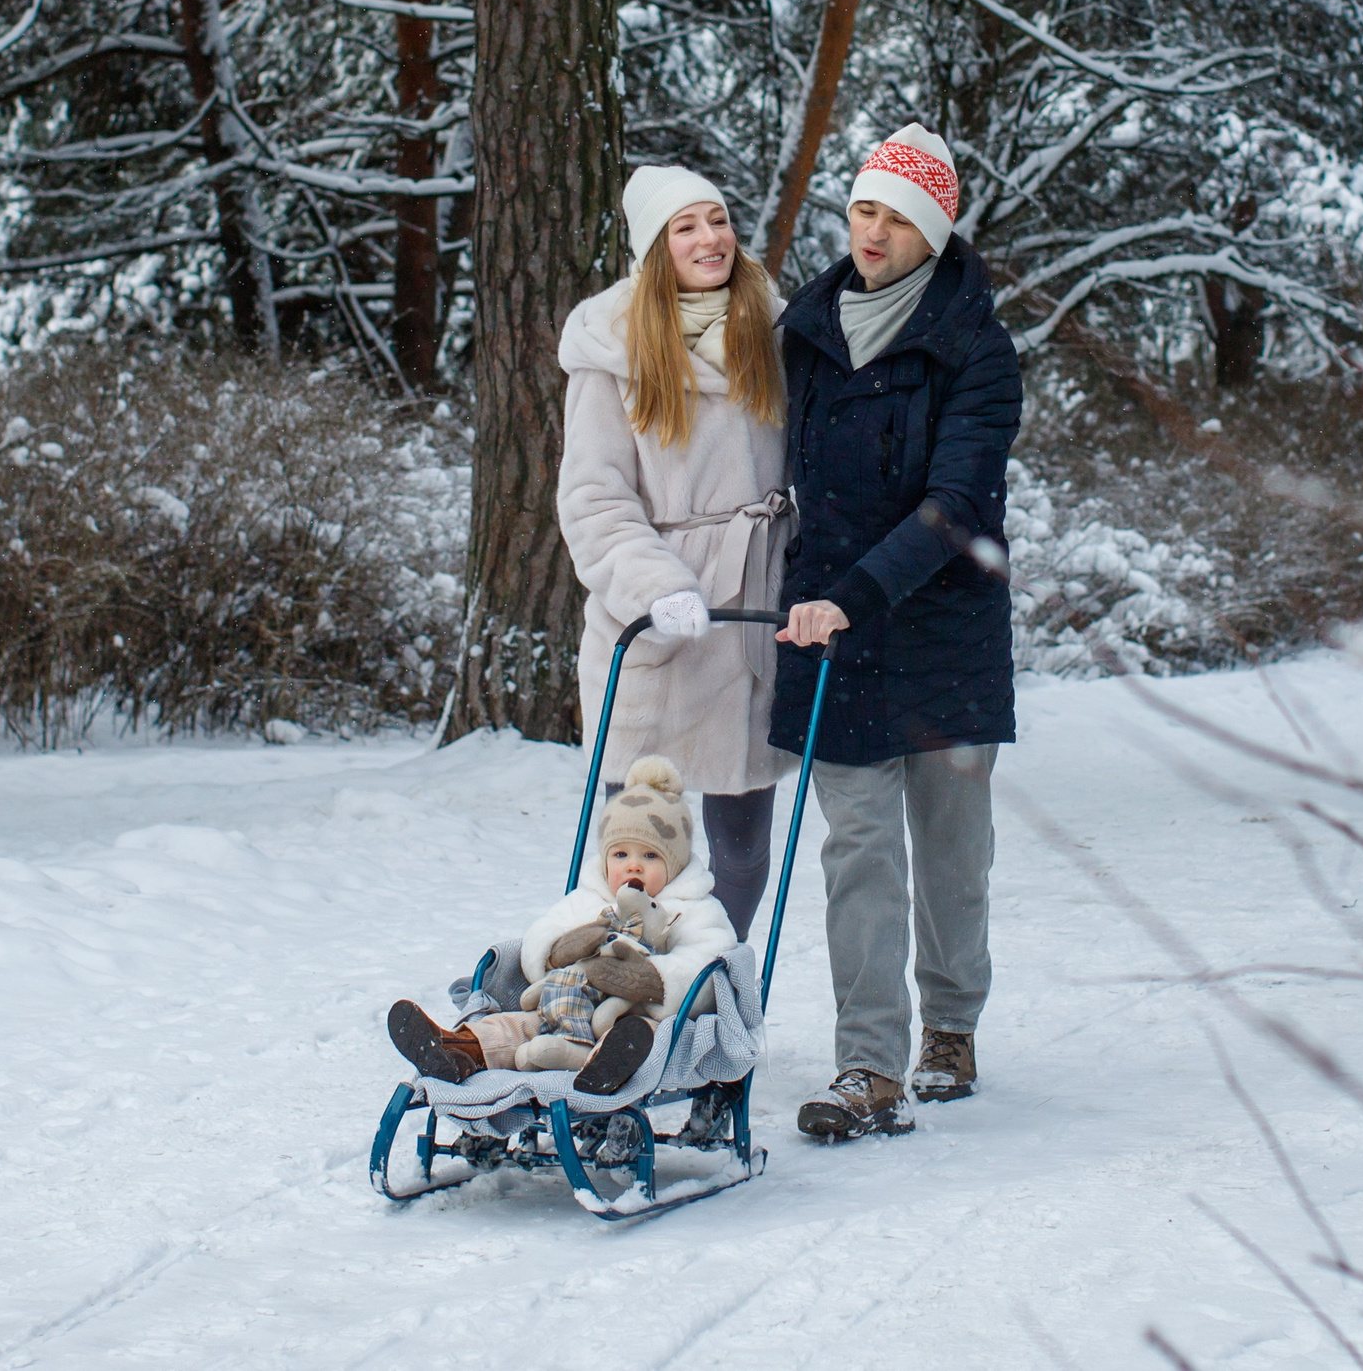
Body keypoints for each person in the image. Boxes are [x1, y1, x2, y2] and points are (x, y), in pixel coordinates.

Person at [768, 124, 1022, 1140]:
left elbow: (958, 500)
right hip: (832, 632)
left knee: (952, 853)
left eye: (898, 216)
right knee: (858, 851)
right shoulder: (805, 330)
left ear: (934, 231)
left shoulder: (976, 348)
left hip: (942, 632)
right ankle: (866, 1064)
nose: (872, 231)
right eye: (863, 209)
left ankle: (950, 1025)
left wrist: (858, 593)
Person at [555, 164, 794, 941]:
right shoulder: (612, 344)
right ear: (655, 246)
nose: (709, 238)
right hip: (654, 629)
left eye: (718, 219)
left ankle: (707, 991)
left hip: (750, 616)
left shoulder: (775, 330)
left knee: (743, 854)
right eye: (685, 226)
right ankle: (610, 992)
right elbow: (594, 498)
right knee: (637, 851)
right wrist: (658, 587)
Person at [386, 757, 738, 1095]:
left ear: (674, 862)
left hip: (638, 1020)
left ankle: (602, 1067)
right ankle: (456, 1050)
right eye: (620, 855)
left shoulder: (695, 908)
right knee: (516, 1027)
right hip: (566, 1008)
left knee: (644, 1036)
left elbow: (710, 962)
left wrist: (650, 979)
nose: (633, 867)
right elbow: (541, 934)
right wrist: (558, 951)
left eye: (650, 856)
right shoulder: (589, 898)